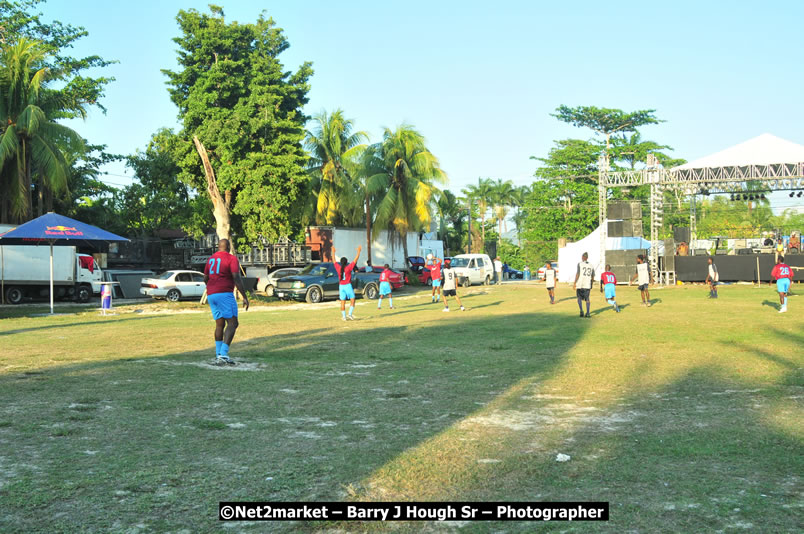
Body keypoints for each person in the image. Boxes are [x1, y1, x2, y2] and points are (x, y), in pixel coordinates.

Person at [204, 238, 250, 365]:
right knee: (233, 323)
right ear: (229, 247)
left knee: (220, 324)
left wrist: (211, 287)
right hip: (224, 293)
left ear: (218, 247)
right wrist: (244, 296)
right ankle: (223, 354)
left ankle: (218, 354)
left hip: (211, 294)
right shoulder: (231, 258)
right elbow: (236, 277)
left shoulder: (211, 259)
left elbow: (205, 277)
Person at [333, 245, 361, 321]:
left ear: (341, 262)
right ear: (346, 262)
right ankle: (350, 314)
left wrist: (333, 252)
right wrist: (358, 252)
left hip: (341, 286)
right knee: (353, 300)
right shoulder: (348, 268)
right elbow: (355, 260)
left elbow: (334, 261)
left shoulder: (338, 268)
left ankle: (344, 317)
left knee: (342, 302)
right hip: (348, 285)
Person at [573, 252, 594, 318]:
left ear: (583, 257)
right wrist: (591, 284)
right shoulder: (591, 265)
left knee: (579, 298)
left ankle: (581, 310)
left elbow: (578, 273)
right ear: (587, 258)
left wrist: (575, 282)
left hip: (580, 283)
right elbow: (593, 276)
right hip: (587, 284)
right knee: (587, 299)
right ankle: (588, 313)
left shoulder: (580, 264)